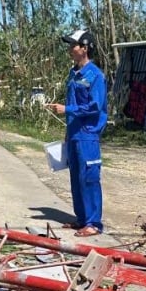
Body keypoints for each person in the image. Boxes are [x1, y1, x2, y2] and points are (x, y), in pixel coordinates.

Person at [48, 29, 108, 237]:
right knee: (76, 178)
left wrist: (67, 109)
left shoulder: (95, 76)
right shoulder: (73, 74)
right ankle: (81, 218)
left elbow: (95, 106)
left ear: (85, 48)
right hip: (73, 133)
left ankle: (93, 223)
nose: (69, 49)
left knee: (89, 177)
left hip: (88, 134)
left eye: (73, 45)